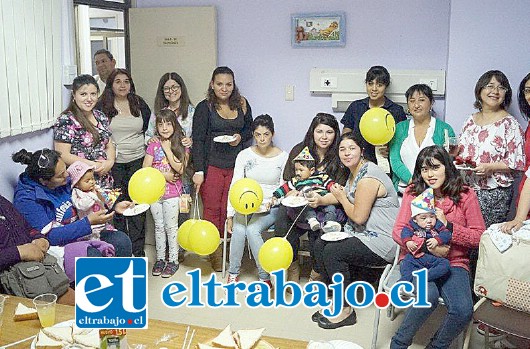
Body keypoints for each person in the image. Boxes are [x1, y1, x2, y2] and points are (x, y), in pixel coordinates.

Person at [390, 145, 486, 349]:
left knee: (463, 310)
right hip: (418, 260)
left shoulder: (465, 195)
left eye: (435, 167)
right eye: (424, 169)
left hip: (454, 262)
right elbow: (398, 229)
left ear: (447, 167)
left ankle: (436, 346)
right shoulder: (413, 192)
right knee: (429, 296)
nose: (429, 174)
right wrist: (423, 245)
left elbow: (479, 237)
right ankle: (399, 343)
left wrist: (449, 226)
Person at [310, 131, 400, 329]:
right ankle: (335, 299)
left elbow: (358, 215)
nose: (346, 153)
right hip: (362, 234)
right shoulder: (354, 174)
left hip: (381, 241)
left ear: (362, 151)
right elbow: (344, 194)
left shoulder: (368, 176)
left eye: (352, 148)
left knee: (334, 252)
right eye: (342, 149)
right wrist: (321, 199)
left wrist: (341, 197)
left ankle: (345, 310)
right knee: (320, 243)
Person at [12, 149, 133, 281]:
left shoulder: (64, 180)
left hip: (82, 232)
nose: (67, 176)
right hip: (57, 245)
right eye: (60, 175)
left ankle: (119, 289)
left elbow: (90, 194)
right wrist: (87, 223)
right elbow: (48, 237)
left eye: (65, 169)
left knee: (121, 241)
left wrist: (114, 207)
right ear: (44, 181)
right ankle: (99, 295)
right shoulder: (27, 200)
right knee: (92, 258)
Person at [192, 66, 253, 272]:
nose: (224, 88)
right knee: (213, 209)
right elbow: (198, 140)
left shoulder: (242, 104)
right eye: (219, 84)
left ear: (233, 85)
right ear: (212, 84)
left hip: (236, 165)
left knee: (231, 209)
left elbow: (249, 130)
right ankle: (215, 251)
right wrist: (198, 170)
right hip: (212, 165)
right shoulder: (204, 107)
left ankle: (230, 249)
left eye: (228, 84)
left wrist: (239, 138)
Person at [275, 113, 347, 283]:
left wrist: (321, 200)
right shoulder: (299, 150)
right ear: (312, 132)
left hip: (326, 205)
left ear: (336, 134)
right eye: (319, 131)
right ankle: (291, 266)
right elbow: (288, 181)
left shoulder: (340, 155)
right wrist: (291, 193)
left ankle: (316, 272)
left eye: (329, 132)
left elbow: (341, 192)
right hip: (299, 206)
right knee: (283, 217)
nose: (324, 137)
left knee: (319, 232)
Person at [226, 114, 288, 286]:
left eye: (266, 134)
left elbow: (284, 186)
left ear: (272, 134)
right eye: (258, 134)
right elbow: (235, 185)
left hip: (271, 205)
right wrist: (230, 214)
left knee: (252, 230)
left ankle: (264, 276)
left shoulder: (283, 156)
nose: (262, 139)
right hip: (246, 203)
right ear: (253, 134)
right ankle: (233, 272)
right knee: (239, 230)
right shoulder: (244, 155)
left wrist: (273, 201)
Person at [458, 70, 525, 228]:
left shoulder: (510, 124)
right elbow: (461, 152)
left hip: (494, 193)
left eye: (501, 88)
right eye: (490, 86)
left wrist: (490, 167)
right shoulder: (470, 120)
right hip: (465, 189)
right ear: (480, 90)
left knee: (482, 238)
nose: (495, 91)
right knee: (464, 237)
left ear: (505, 94)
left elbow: (517, 162)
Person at [96, 68, 151, 257]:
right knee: (117, 204)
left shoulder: (138, 103)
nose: (122, 85)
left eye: (126, 81)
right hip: (114, 164)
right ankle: (122, 248)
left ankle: (138, 248)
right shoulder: (102, 105)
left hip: (138, 160)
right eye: (118, 81)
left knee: (138, 205)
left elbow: (149, 129)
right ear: (111, 84)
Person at [0, 194, 75, 306]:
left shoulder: (2, 201)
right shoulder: (26, 197)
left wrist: (39, 238)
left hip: (38, 273)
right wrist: (18, 252)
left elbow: (26, 227)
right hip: (13, 286)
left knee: (93, 311)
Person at [147, 72, 196, 236]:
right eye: (166, 88)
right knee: (162, 217)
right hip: (162, 171)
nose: (171, 91)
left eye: (174, 86)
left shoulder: (191, 111)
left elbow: (200, 137)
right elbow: (148, 136)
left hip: (184, 169)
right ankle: (165, 250)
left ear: (181, 88)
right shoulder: (158, 113)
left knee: (183, 210)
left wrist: (192, 141)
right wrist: (152, 138)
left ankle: (180, 249)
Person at [143, 109, 189, 278]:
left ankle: (173, 260)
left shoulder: (181, 144)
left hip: (173, 194)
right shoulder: (152, 145)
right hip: (155, 193)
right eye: (160, 124)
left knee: (171, 227)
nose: (164, 127)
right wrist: (164, 175)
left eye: (168, 123)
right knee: (159, 227)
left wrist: (167, 149)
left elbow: (181, 168)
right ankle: (160, 259)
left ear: (174, 125)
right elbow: (145, 169)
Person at [389, 84, 455, 193]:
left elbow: (448, 162)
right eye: (412, 101)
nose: (416, 105)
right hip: (403, 192)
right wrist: (413, 181)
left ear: (431, 103)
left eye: (421, 100)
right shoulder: (399, 128)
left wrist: (425, 184)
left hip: (435, 193)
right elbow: (394, 160)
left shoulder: (445, 129)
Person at [53, 74, 115, 190]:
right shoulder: (66, 120)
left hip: (105, 179)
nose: (89, 99)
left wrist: (110, 162)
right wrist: (93, 165)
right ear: (74, 95)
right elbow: (63, 155)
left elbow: (109, 144)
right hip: (82, 184)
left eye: (93, 94)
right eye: (83, 94)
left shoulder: (100, 116)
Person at [341, 66, 406, 165]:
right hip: (357, 163)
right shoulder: (356, 107)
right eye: (370, 84)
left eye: (379, 85)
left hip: (384, 164)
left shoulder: (396, 110)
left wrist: (392, 150)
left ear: (386, 86)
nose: (374, 89)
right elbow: (346, 134)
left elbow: (402, 140)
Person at [271, 147, 340, 232]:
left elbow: (329, 184)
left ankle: (329, 222)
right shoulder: (295, 180)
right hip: (307, 202)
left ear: (311, 170)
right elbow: (284, 188)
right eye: (296, 170)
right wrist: (275, 196)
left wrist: (336, 187)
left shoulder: (321, 176)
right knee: (305, 208)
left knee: (331, 208)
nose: (298, 173)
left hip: (322, 199)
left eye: (301, 170)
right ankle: (312, 221)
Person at [399, 187, 451, 284]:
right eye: (423, 218)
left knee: (446, 264)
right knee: (406, 263)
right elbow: (404, 232)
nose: (429, 220)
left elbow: (447, 234)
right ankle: (404, 282)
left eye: (432, 217)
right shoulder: (412, 225)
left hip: (433, 258)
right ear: (415, 219)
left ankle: (424, 277)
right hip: (416, 257)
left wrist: (437, 240)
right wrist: (408, 241)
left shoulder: (438, 225)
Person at [67, 161, 119, 240]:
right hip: (90, 226)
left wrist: (106, 194)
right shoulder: (77, 192)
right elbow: (82, 206)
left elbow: (106, 201)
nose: (91, 182)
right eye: (87, 181)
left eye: (92, 179)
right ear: (76, 184)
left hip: (103, 222)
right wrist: (93, 195)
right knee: (96, 242)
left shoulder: (96, 188)